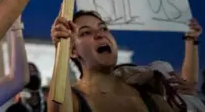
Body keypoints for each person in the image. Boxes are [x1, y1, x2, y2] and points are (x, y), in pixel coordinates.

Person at [48, 10, 180, 112]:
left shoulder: (151, 97)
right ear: (73, 51)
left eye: (104, 28)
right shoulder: (75, 100)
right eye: (86, 33)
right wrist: (61, 47)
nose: (100, 34)